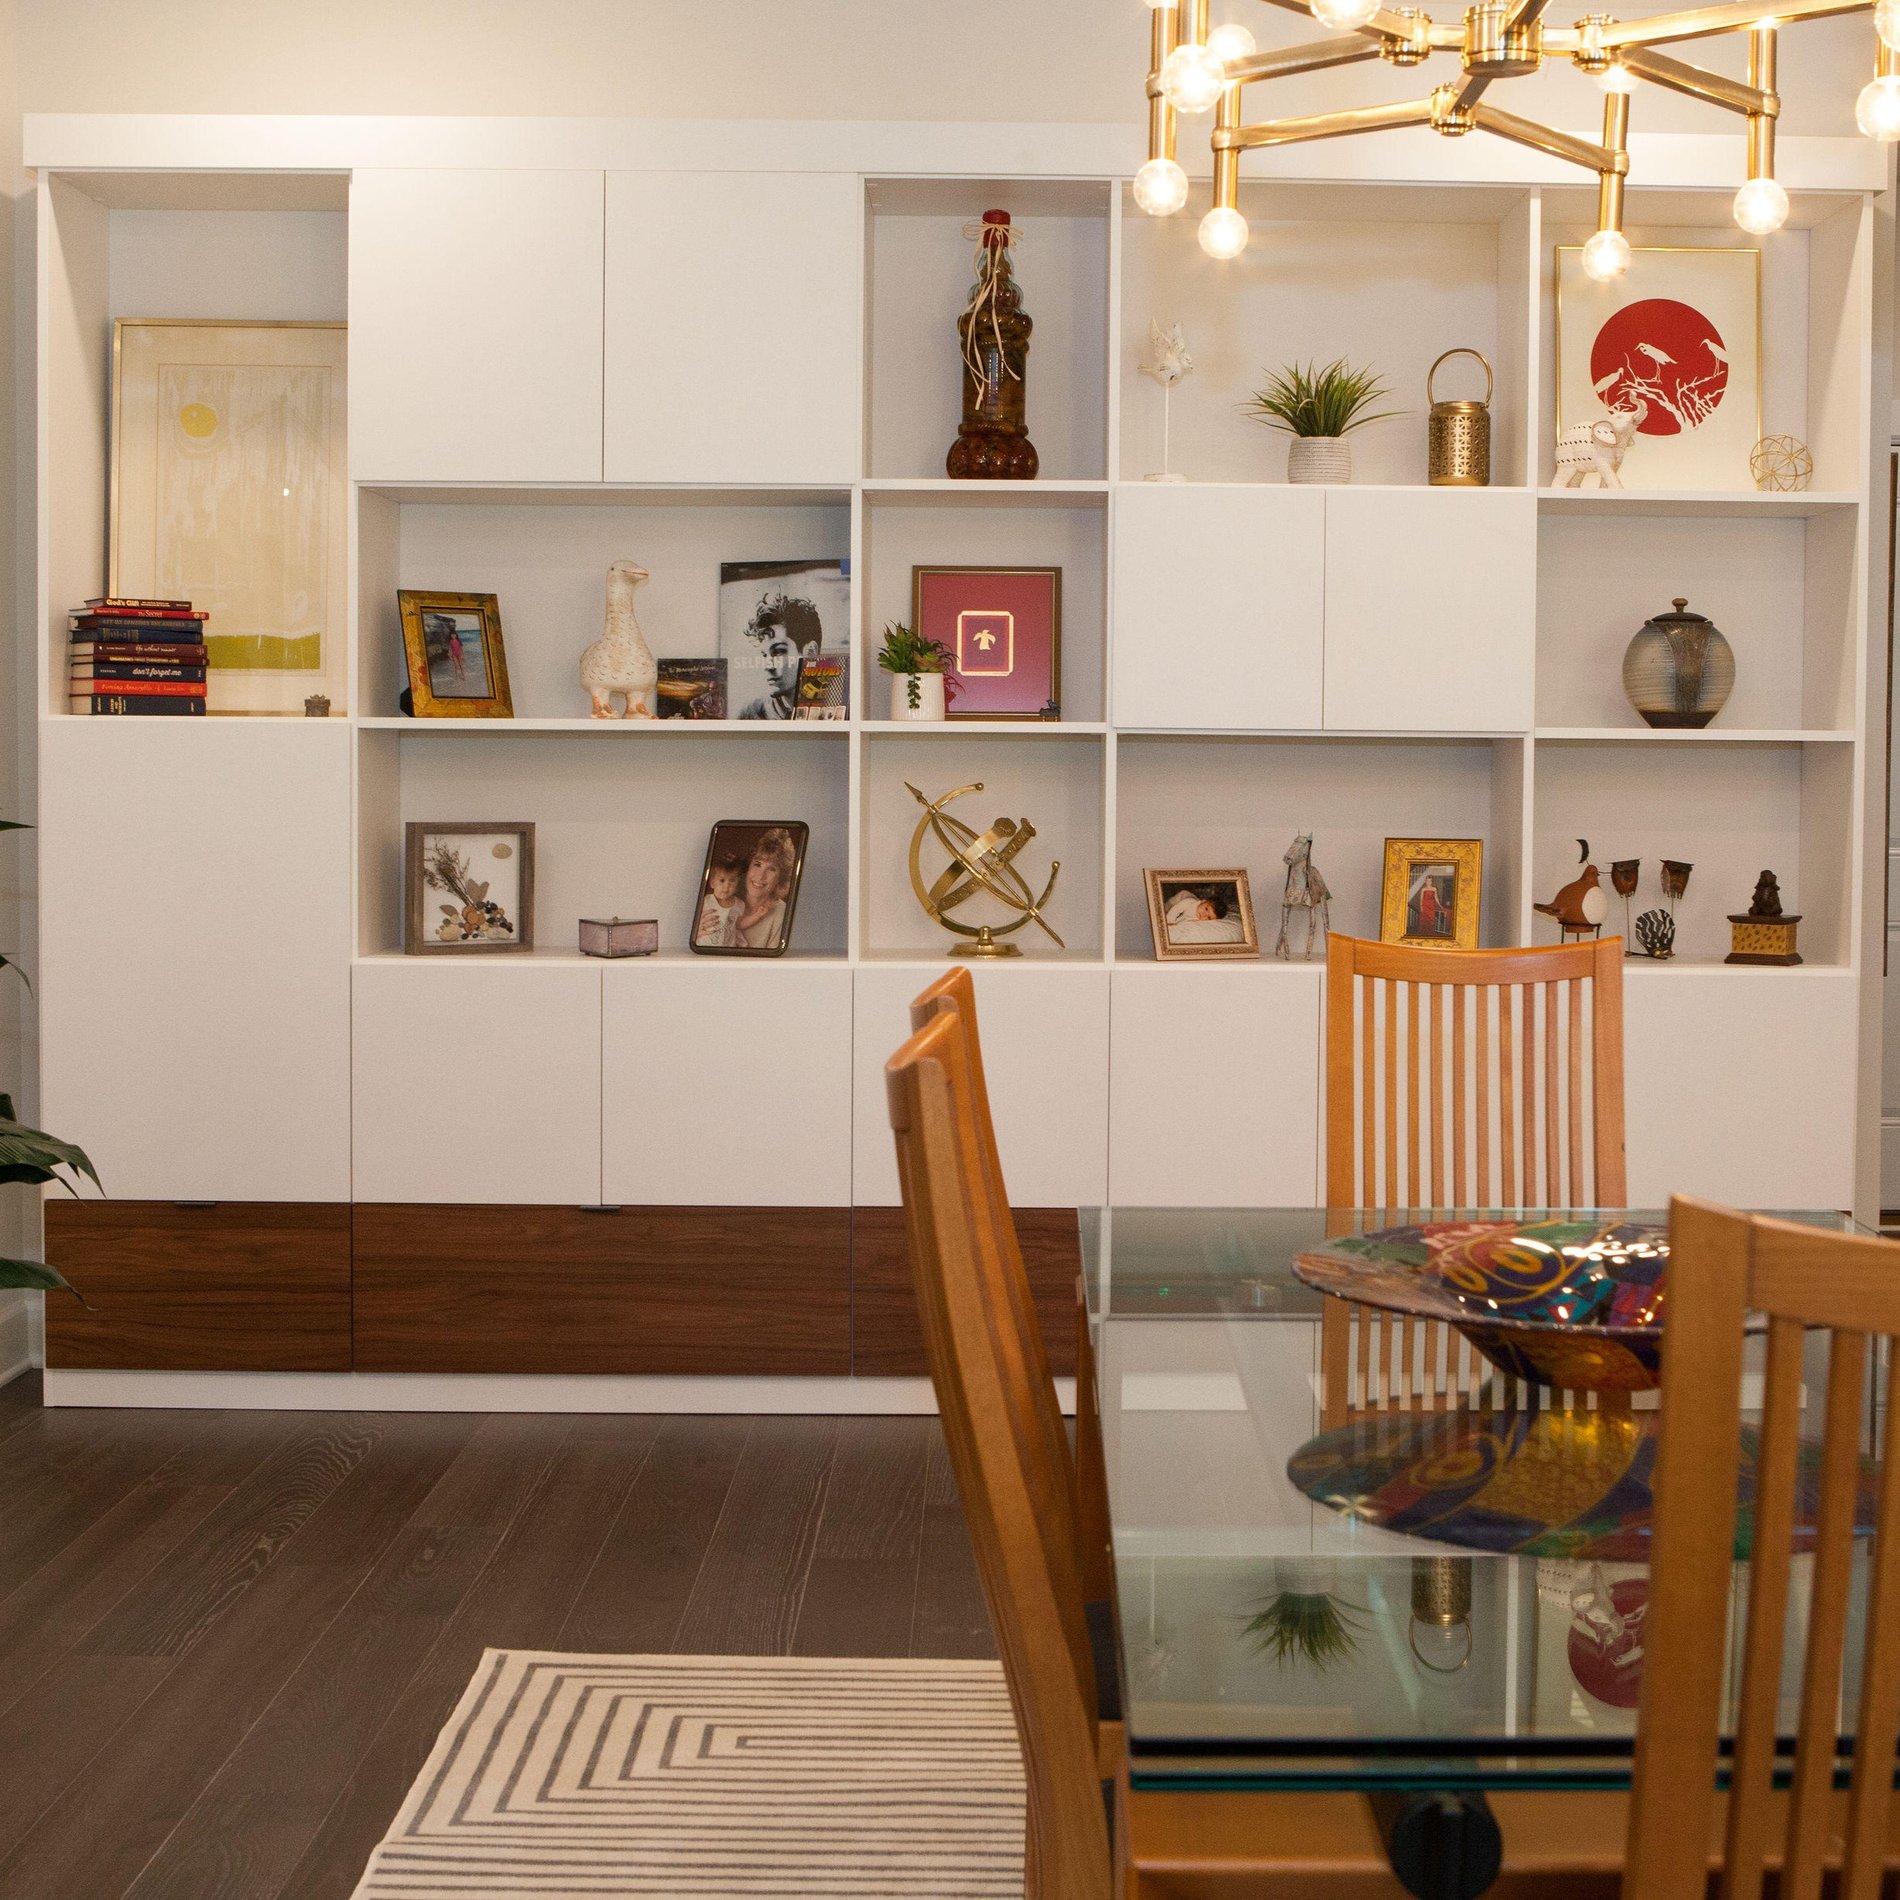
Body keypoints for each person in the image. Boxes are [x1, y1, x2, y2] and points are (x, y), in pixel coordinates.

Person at [737, 595, 824, 720]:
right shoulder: (751, 713)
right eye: (764, 655)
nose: (768, 666)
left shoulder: (838, 706)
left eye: (778, 652)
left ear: (810, 653)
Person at [731, 827, 799, 948]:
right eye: (758, 864)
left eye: (772, 869)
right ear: (748, 866)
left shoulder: (781, 914)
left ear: (780, 878)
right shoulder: (725, 898)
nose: (760, 876)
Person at [694, 855, 745, 947]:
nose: (726, 886)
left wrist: (758, 915)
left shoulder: (740, 905)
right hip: (704, 946)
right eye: (722, 880)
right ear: (712, 883)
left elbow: (741, 925)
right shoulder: (705, 901)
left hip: (728, 950)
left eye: (732, 881)